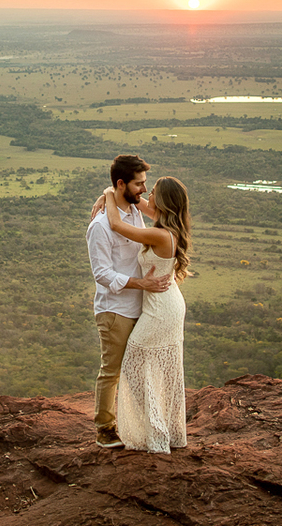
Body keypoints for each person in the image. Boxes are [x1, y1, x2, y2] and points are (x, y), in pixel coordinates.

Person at [101, 174, 192, 454]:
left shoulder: (159, 234)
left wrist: (107, 192)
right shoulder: (167, 226)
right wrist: (119, 194)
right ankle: (167, 431)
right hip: (166, 303)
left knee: (133, 364)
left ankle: (157, 432)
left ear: (161, 200)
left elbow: (116, 224)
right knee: (160, 368)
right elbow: (139, 204)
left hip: (161, 310)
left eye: (151, 192)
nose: (146, 196)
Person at [87, 154, 172, 450]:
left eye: (145, 184)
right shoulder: (100, 226)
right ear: (122, 184)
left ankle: (141, 424)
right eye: (139, 184)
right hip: (116, 309)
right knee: (112, 371)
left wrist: (107, 193)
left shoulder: (135, 211)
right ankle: (104, 429)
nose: (144, 190)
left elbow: (153, 214)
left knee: (140, 368)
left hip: (142, 307)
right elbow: (102, 274)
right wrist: (142, 283)